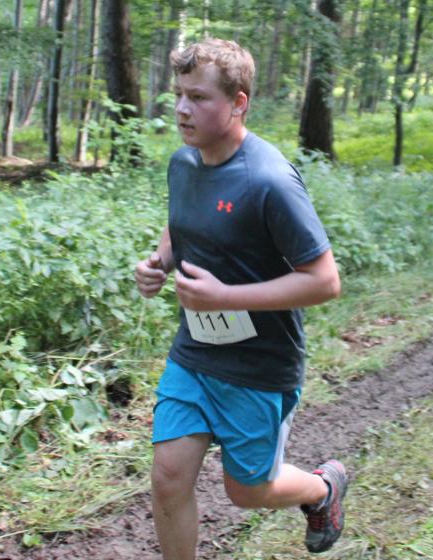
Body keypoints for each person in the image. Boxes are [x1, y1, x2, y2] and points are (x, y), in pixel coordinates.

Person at [134, 38, 347, 559]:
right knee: (167, 478)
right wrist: (159, 261)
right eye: (179, 94)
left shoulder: (269, 180)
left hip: (258, 365)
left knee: (248, 490)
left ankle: (323, 489)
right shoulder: (184, 163)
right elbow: (181, 222)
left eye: (199, 97)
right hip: (194, 354)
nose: (183, 109)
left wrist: (226, 296)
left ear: (238, 103)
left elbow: (324, 281)